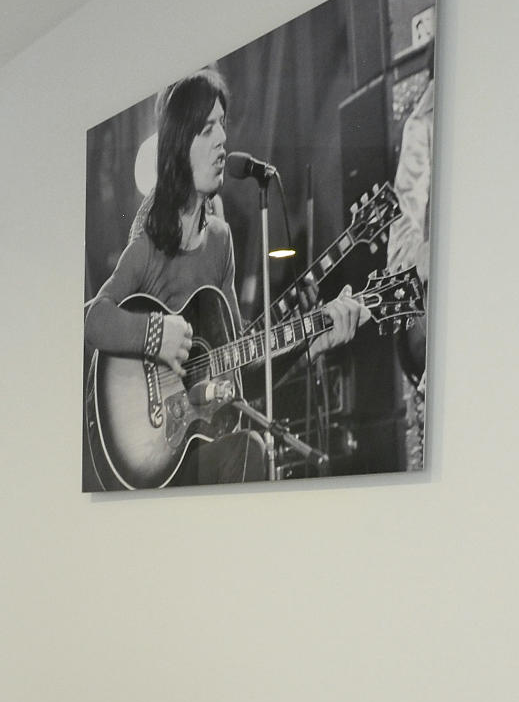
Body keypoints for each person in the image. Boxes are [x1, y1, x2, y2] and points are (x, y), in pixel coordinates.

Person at [84, 68, 362, 480]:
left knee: (253, 447)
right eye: (206, 129)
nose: (222, 139)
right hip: (153, 441)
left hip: (200, 436)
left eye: (222, 125)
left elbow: (239, 368)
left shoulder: (220, 240)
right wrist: (155, 335)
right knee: (250, 451)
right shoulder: (150, 240)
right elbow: (94, 318)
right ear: (180, 145)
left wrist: (309, 342)